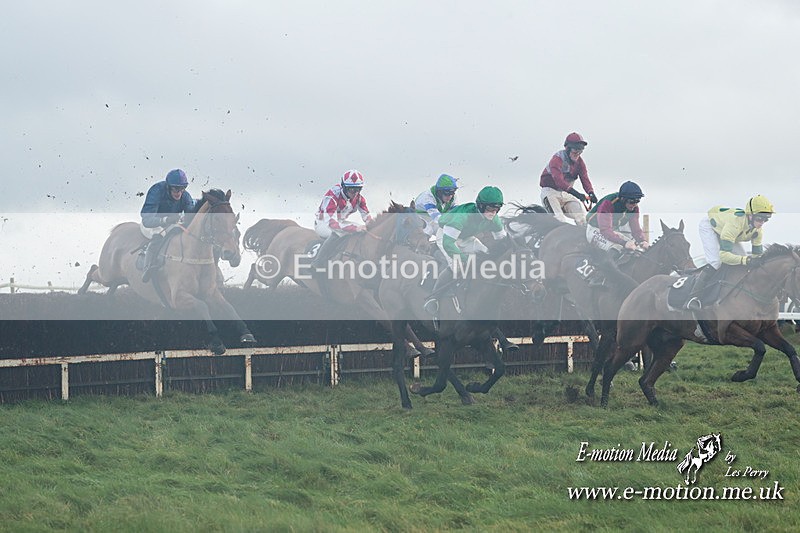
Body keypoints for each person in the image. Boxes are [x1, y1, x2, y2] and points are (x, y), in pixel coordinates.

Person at [424, 186, 507, 314]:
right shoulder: (462, 217)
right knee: (457, 265)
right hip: (446, 236)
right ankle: (433, 298)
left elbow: (503, 242)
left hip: (466, 238)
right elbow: (448, 243)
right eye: (490, 208)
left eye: (496, 209)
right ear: (480, 206)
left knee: (487, 257)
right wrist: (466, 259)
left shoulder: (495, 220)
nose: (493, 213)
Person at [686, 195, 774, 310]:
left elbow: (757, 257)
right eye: (759, 219)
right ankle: (693, 297)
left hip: (729, 231)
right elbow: (724, 256)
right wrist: (746, 260)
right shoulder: (735, 224)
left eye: (765, 219)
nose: (762, 222)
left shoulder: (758, 231)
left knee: (742, 260)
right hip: (710, 227)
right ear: (750, 215)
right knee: (715, 262)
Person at [140, 169, 196, 282]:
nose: (179, 192)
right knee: (158, 234)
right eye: (175, 188)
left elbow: (191, 218)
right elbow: (146, 219)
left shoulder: (186, 197)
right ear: (168, 187)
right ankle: (148, 267)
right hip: (152, 225)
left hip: (172, 224)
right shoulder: (156, 191)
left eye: (182, 188)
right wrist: (165, 219)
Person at [312, 169, 373, 267]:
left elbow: (366, 216)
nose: (355, 192)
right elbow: (332, 224)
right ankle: (317, 263)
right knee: (338, 233)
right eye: (352, 189)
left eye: (358, 189)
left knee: (362, 231)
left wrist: (372, 227)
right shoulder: (332, 196)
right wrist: (354, 228)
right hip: (323, 223)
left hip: (340, 222)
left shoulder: (359, 198)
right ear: (344, 187)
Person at [540, 132, 598, 225]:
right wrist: (577, 194)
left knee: (582, 218)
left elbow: (585, 178)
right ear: (568, 149)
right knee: (559, 220)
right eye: (575, 151)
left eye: (580, 151)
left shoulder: (580, 163)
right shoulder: (557, 159)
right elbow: (559, 181)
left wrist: (591, 193)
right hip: (550, 193)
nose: (578, 154)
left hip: (566, 194)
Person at [585, 181, 649, 255]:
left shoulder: (634, 208)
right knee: (617, 249)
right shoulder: (608, 203)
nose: (634, 204)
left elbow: (636, 229)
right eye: (632, 201)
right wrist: (624, 243)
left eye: (637, 201)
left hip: (613, 230)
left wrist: (642, 241)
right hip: (595, 229)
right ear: (623, 199)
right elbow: (605, 230)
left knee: (637, 249)